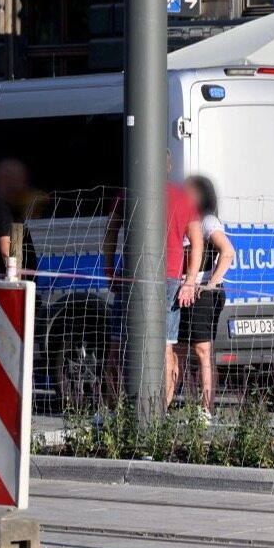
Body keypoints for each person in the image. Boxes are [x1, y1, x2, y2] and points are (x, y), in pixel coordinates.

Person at [102, 151, 204, 408]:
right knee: (166, 347)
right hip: (168, 279)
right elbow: (198, 243)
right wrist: (190, 280)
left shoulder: (128, 193)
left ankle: (116, 411)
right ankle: (162, 411)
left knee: (119, 345)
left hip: (131, 278)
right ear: (168, 167)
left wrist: (110, 269)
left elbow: (111, 231)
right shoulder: (184, 199)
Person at [180, 175, 235, 418]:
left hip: (202, 292)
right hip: (181, 290)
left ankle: (206, 408)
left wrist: (210, 285)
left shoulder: (207, 221)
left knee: (203, 350)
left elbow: (227, 252)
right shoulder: (182, 218)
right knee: (177, 351)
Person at [0, 158, 37, 289]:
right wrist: (17, 286)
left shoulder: (9, 207)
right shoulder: (1, 208)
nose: (23, 183)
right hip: (8, 291)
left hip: (10, 289)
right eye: (19, 178)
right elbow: (7, 251)